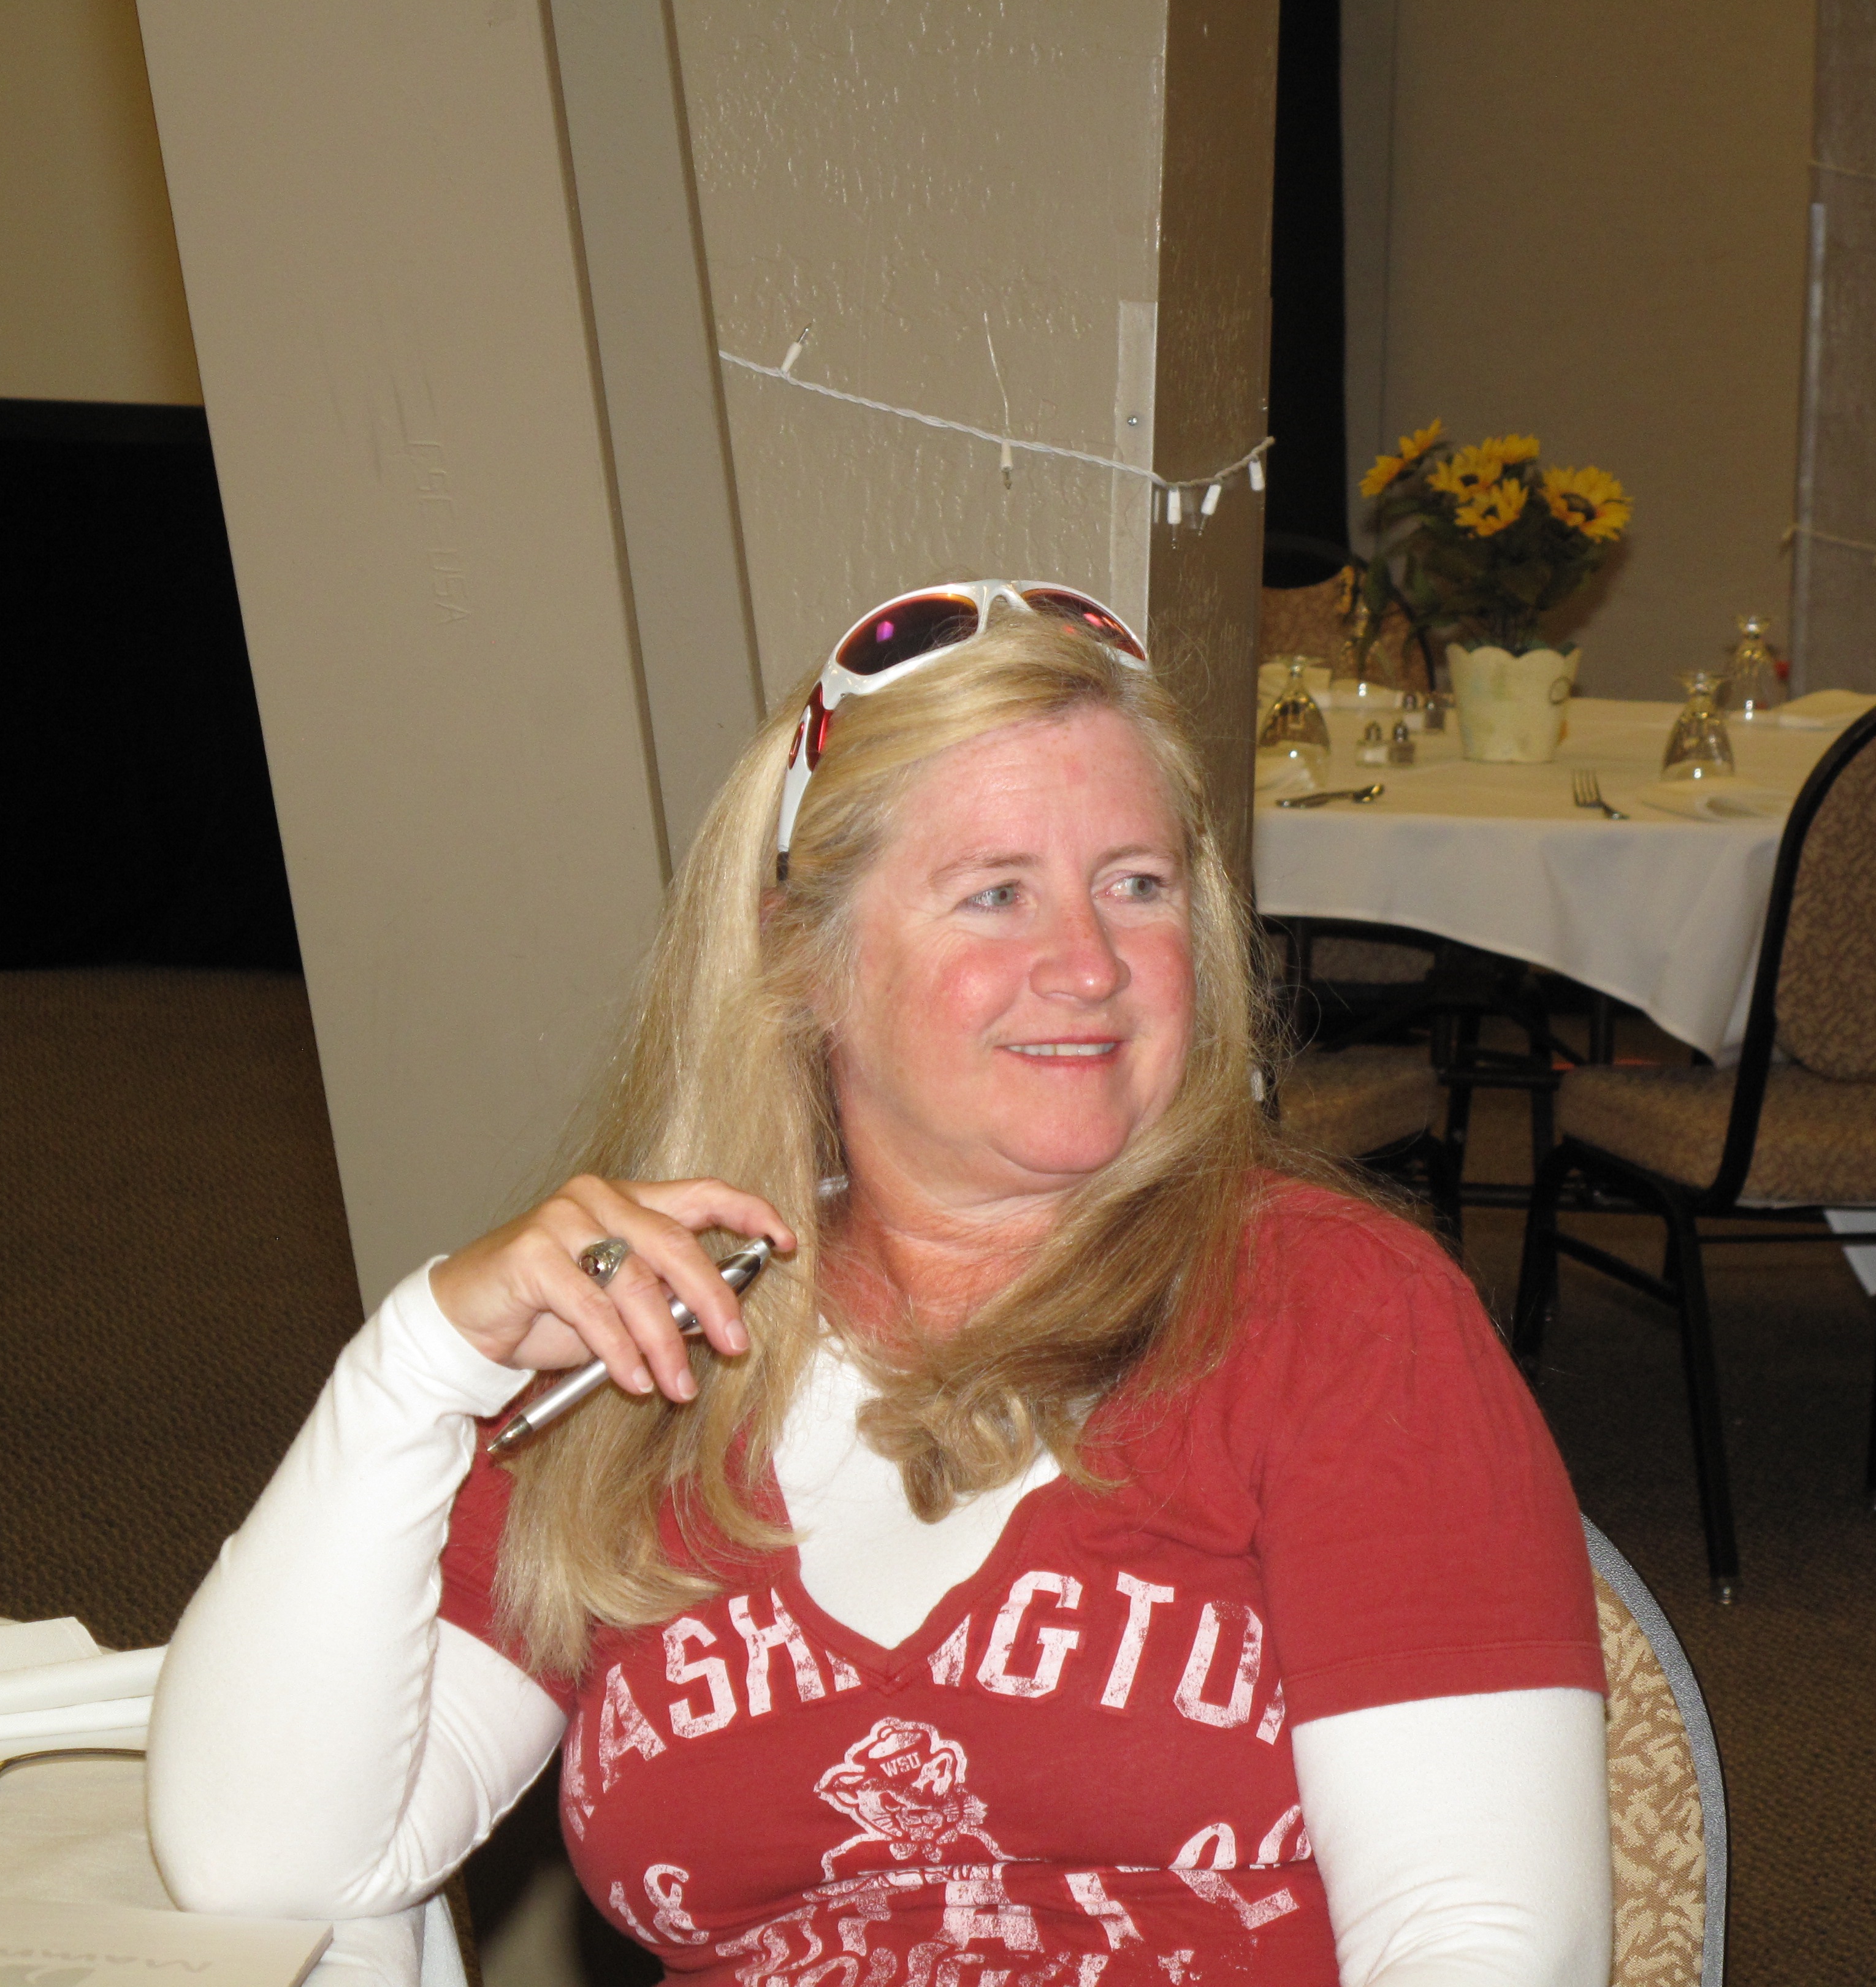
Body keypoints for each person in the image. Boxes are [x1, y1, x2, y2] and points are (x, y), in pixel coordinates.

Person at [149, 583, 1612, 1986]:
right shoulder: (661, 1337)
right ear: (806, 960)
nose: (1090, 964)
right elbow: (263, 1861)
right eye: (995, 894)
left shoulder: (1337, 1312)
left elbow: (1482, 1941)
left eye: (1137, 885)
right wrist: (419, 1363)